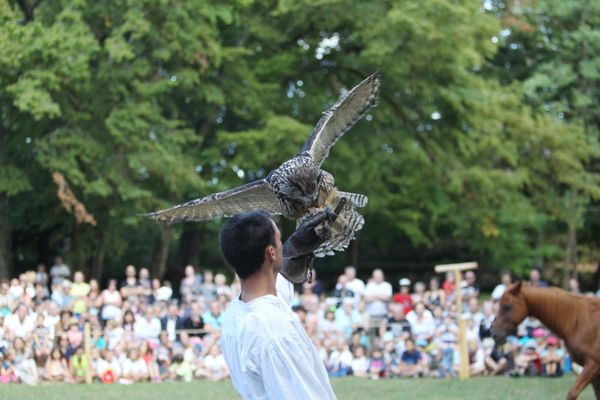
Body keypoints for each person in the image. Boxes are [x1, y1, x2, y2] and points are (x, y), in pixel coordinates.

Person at [220, 210, 337, 399]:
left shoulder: (234, 314)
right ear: (271, 252)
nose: (284, 245)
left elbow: (276, 285)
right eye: (280, 240)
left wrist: (298, 244)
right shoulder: (275, 331)